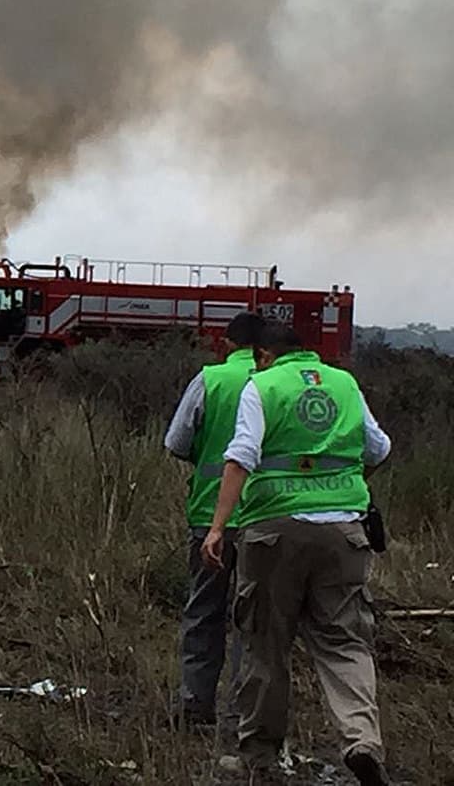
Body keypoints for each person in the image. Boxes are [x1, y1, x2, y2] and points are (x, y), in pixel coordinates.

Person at [202, 322, 392, 786]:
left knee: (266, 643)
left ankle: (260, 758)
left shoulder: (261, 386)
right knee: (345, 642)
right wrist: (344, 482)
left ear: (265, 354)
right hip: (344, 533)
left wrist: (218, 527)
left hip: (273, 533)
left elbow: (241, 455)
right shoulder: (344, 383)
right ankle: (361, 740)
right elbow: (380, 447)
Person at [164, 311, 264, 731]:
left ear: (226, 344)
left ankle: (194, 705)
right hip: (264, 518)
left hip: (209, 517)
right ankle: (244, 715)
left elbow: (177, 442)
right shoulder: (274, 386)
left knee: (204, 611)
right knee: (253, 620)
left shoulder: (209, 380)